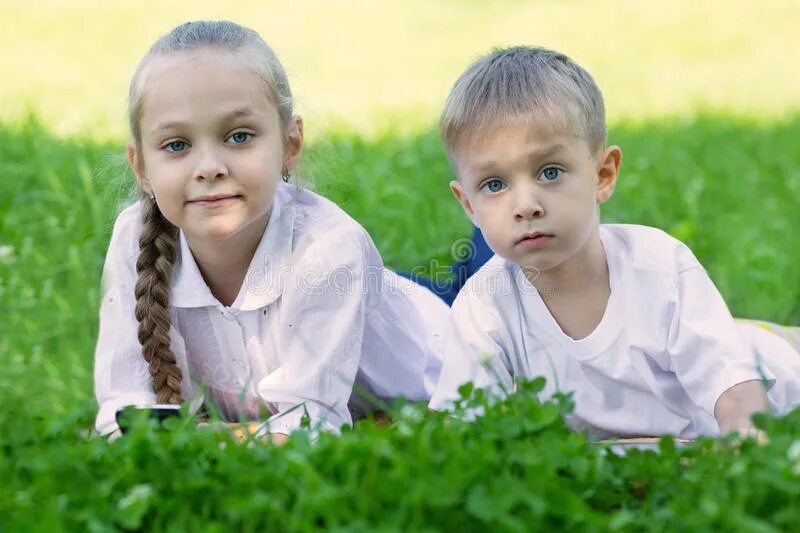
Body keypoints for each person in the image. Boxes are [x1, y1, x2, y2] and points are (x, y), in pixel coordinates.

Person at [94, 20, 447, 441]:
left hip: (434, 338)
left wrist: (200, 439)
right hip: (353, 295)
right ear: (141, 166)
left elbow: (310, 427)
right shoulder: (135, 237)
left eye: (239, 136)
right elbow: (120, 412)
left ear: (290, 144)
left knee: (496, 265)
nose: (209, 168)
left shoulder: (330, 249)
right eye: (176, 145)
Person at [429, 46, 800, 440]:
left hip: (762, 372)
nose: (526, 206)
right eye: (494, 184)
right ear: (468, 203)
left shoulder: (659, 269)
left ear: (602, 175)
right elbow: (460, 424)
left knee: (763, 352)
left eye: (549, 172)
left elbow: (735, 389)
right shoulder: (483, 306)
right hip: (632, 444)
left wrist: (743, 438)